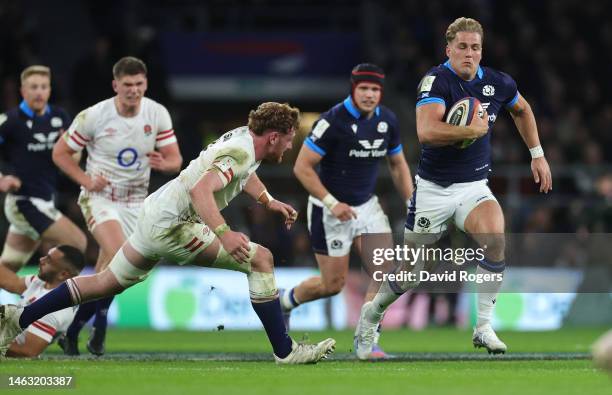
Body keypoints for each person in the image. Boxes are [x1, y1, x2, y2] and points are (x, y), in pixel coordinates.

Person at [0, 102, 336, 364]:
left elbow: (243, 175)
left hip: (155, 213)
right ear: (274, 136)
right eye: (291, 138)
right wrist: (224, 234)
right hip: (175, 224)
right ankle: (285, 350)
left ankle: (19, 318)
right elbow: (202, 192)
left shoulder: (246, 139)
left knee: (104, 282)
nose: (291, 145)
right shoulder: (242, 150)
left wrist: (269, 200)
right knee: (261, 259)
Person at [354, 17, 552, 359]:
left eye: (475, 48)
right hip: (433, 190)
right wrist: (470, 131)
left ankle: (484, 327)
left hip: (473, 186)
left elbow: (522, 110)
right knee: (411, 275)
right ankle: (370, 316)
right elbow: (427, 132)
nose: (469, 54)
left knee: (495, 238)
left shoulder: (497, 83)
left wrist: (537, 154)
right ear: (449, 49)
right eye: (462, 47)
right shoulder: (436, 81)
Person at [280, 64, 414, 359]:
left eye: (375, 89)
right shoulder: (332, 122)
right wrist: (332, 203)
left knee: (384, 270)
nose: (369, 95)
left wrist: (412, 204)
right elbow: (301, 168)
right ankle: (285, 302)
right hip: (330, 210)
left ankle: (366, 341)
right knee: (332, 285)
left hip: (366, 206)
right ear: (353, 89)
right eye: (364, 89)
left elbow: (398, 164)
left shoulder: (388, 121)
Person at [51, 56, 183, 356]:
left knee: (113, 274)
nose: (134, 90)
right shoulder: (94, 116)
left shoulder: (157, 113)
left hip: (137, 203)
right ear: (115, 85)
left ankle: (72, 331)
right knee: (120, 257)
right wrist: (85, 179)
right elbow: (60, 153)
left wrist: (167, 163)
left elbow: (176, 159)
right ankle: (100, 321)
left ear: (146, 83)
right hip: (101, 200)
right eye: (127, 85)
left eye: (139, 84)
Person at [0, 65, 87, 273]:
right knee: (77, 243)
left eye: (43, 87)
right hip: (24, 202)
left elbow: (74, 158)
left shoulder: (59, 117)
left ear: (49, 90)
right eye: (33, 87)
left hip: (46, 200)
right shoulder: (10, 121)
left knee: (7, 269)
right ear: (23, 91)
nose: (39, 92)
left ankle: (29, 297)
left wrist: (68, 150)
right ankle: (42, 299)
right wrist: (2, 179)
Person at [0, 245, 85, 357]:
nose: (41, 260)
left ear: (63, 274)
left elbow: (28, 351)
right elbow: (12, 282)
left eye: (48, 260)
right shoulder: (40, 282)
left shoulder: (55, 309)